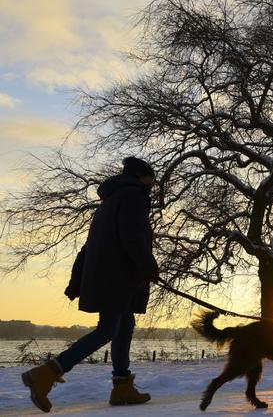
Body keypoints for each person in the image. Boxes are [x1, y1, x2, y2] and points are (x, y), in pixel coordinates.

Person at [21, 157, 159, 413]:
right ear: (142, 177)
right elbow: (133, 236)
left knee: (124, 326)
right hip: (118, 277)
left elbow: (89, 247)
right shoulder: (133, 196)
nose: (154, 184)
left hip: (110, 277)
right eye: (152, 179)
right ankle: (46, 374)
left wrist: (76, 281)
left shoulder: (109, 202)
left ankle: (122, 386)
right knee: (108, 330)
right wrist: (148, 266)